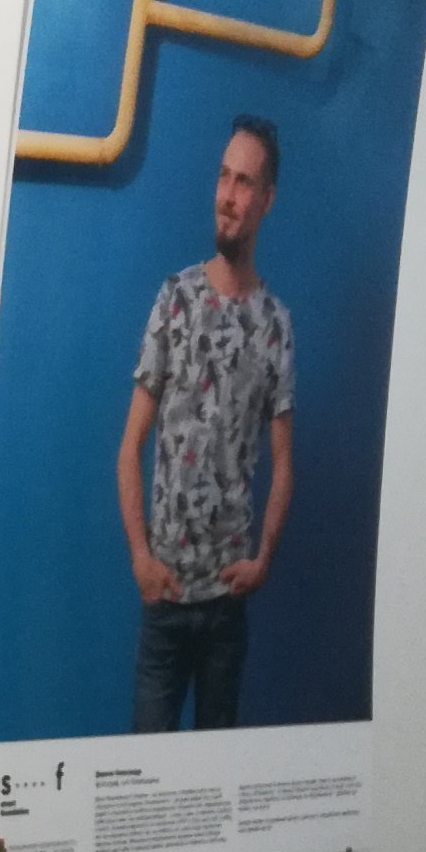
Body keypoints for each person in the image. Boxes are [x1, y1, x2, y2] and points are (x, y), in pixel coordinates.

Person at [117, 115, 294, 732]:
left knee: (216, 780)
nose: (227, 195)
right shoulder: (175, 299)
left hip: (225, 611)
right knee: (145, 773)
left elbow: (284, 464)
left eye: (244, 182)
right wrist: (141, 557)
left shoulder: (275, 325)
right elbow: (130, 447)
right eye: (223, 176)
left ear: (266, 199)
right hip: (165, 602)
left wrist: (263, 558)